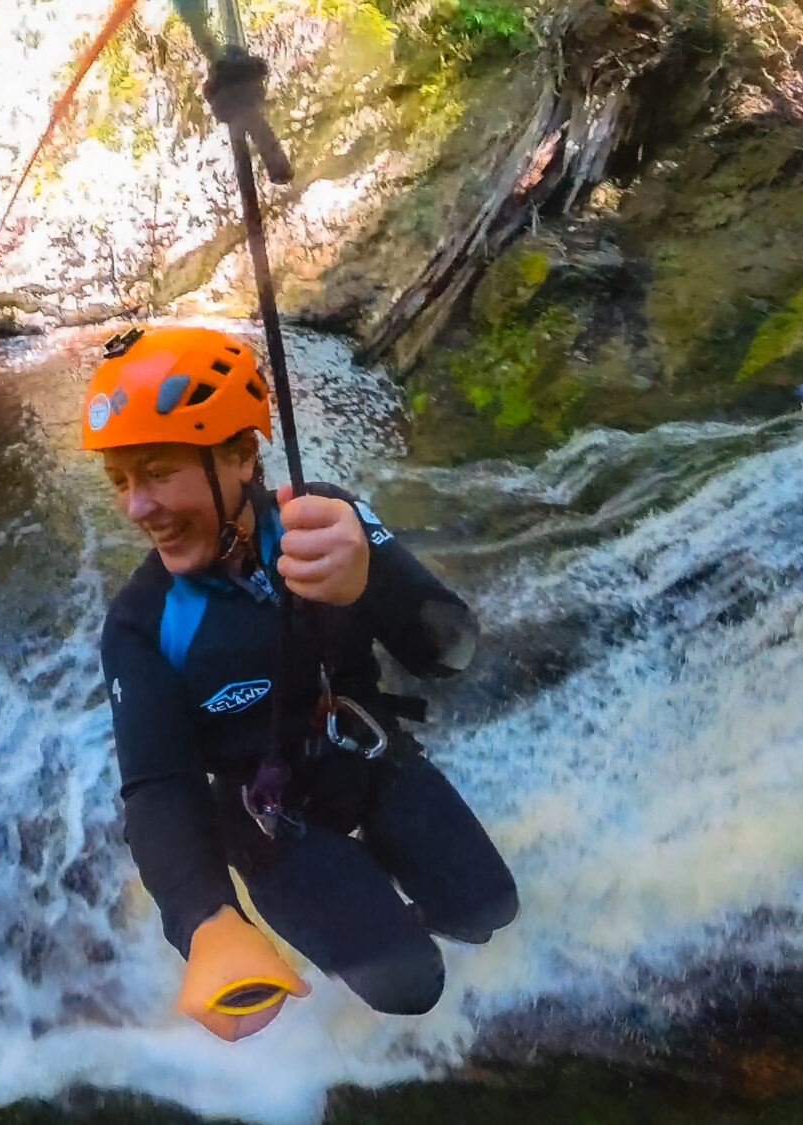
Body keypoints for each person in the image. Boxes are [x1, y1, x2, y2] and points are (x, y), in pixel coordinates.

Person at [89, 325, 517, 1043]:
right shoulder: (140, 624)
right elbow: (159, 789)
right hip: (269, 827)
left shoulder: (324, 521)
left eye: (158, 471)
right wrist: (205, 919)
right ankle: (364, 914)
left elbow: (451, 650)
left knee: (487, 910)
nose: (137, 507)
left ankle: (384, 893)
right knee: (413, 984)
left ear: (241, 456)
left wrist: (370, 582)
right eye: (122, 482)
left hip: (368, 761)